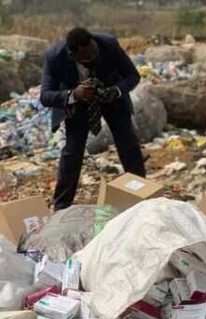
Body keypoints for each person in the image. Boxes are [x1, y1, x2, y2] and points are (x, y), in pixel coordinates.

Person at [40, 27, 145, 211]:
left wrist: (116, 91)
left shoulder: (109, 44)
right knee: (73, 150)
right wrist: (74, 94)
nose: (93, 60)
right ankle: (61, 205)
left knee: (128, 142)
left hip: (111, 96)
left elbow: (132, 76)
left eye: (94, 55)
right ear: (73, 55)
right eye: (87, 60)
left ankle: (142, 194)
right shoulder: (55, 57)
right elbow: (45, 96)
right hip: (77, 101)